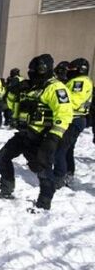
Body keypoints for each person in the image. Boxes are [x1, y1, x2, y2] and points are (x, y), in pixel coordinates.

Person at [0, 54, 73, 211]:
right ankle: (6, 189)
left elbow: (64, 113)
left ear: (44, 69)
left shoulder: (55, 88)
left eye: (36, 70)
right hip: (24, 134)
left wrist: (53, 137)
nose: (32, 73)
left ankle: (43, 204)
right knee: (2, 157)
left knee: (42, 169)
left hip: (43, 136)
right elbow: (10, 104)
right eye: (31, 70)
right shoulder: (29, 86)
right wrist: (13, 90)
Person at [53, 58, 92, 188]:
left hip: (74, 118)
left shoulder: (79, 82)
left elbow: (73, 101)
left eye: (71, 69)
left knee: (60, 149)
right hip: (75, 118)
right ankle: (68, 173)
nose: (68, 71)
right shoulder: (78, 81)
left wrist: (59, 92)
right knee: (68, 150)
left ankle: (58, 177)